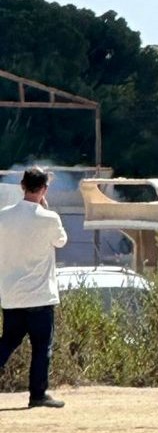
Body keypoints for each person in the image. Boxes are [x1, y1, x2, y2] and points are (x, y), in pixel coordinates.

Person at [0, 167, 68, 408]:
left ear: (22, 186)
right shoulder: (50, 218)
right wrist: (45, 209)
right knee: (41, 348)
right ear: (44, 189)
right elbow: (61, 241)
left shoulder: (3, 216)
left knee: (7, 343)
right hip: (40, 295)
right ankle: (37, 395)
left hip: (11, 296)